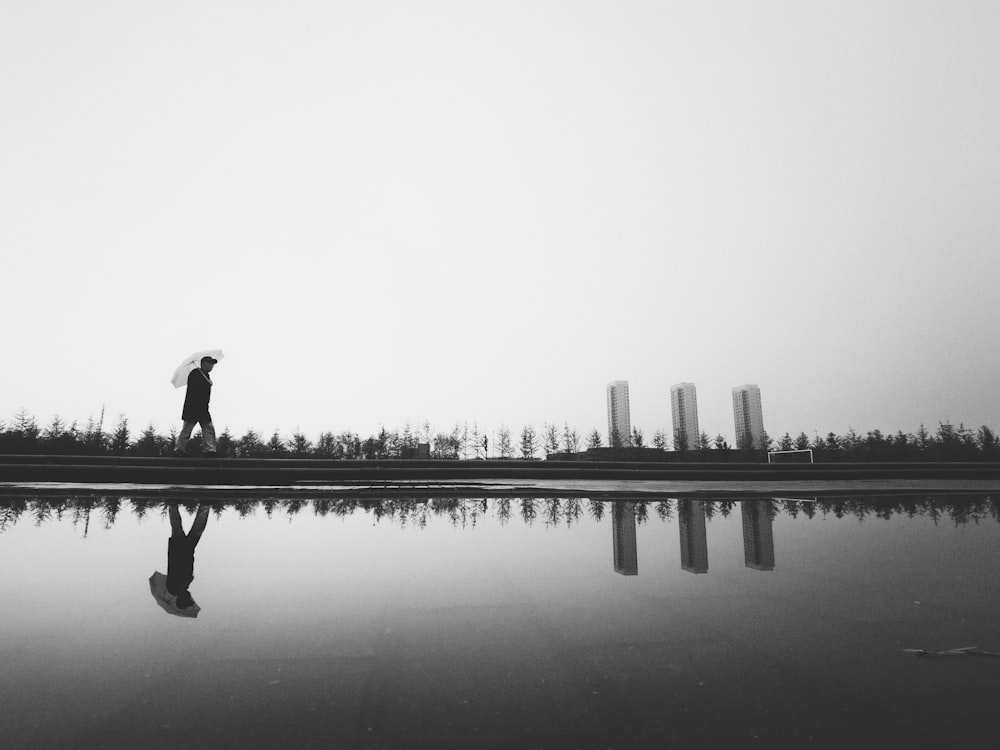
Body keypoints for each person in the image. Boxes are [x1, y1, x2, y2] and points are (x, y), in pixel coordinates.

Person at [166, 502, 210, 612]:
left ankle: (172, 505)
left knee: (178, 525)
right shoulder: (183, 588)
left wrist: (189, 579)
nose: (190, 596)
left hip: (179, 551)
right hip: (187, 552)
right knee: (196, 528)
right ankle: (205, 506)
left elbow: (180, 571)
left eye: (188, 599)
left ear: (182, 599)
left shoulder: (173, 589)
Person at [175, 355, 218, 455]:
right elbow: (195, 390)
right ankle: (179, 449)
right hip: (193, 407)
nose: (211, 366)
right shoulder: (195, 373)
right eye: (209, 363)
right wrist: (206, 383)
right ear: (203, 364)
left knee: (208, 429)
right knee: (187, 429)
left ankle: (210, 450)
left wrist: (207, 383)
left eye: (212, 364)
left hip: (203, 408)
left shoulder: (206, 376)